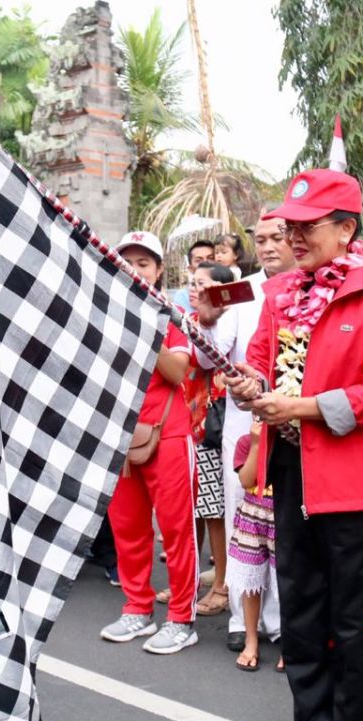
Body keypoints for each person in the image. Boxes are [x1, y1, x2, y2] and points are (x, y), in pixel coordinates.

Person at [227, 169, 363, 721]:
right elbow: (259, 359)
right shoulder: (282, 293)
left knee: (357, 616)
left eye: (309, 226)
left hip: (360, 480)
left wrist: (302, 409)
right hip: (291, 468)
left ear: (347, 229)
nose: (294, 235)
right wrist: (249, 384)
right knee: (303, 606)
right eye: (291, 225)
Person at [197, 212, 296, 653]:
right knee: (244, 523)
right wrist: (206, 322)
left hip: (301, 426)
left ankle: (288, 619)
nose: (270, 246)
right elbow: (210, 360)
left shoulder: (322, 288)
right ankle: (243, 617)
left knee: (291, 525)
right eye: (262, 239)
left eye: (280, 237)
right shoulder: (242, 290)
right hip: (245, 428)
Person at [100, 230, 199, 656]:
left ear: (159, 271)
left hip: (169, 433)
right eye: (128, 261)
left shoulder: (172, 314)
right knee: (128, 530)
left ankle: (181, 618)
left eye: (144, 263)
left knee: (176, 530)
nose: (134, 269)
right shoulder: (102, 313)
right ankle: (137, 608)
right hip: (119, 434)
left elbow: (178, 373)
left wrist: (145, 325)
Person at [186, 262, 236, 618]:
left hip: (214, 426)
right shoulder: (187, 317)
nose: (194, 288)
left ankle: (222, 583)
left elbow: (207, 362)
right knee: (194, 507)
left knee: (213, 508)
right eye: (192, 282)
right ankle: (192, 579)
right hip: (188, 421)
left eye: (202, 284)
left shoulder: (227, 320)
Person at [225, 420, 283, 673]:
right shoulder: (247, 442)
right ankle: (251, 638)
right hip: (252, 517)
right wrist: (258, 444)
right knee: (251, 583)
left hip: (284, 518)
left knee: (288, 582)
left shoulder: (292, 445)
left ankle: (290, 644)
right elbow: (247, 479)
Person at [171, 239, 216, 312]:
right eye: (199, 260)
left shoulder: (226, 290)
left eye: (210, 258)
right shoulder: (182, 297)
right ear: (190, 269)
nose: (205, 263)